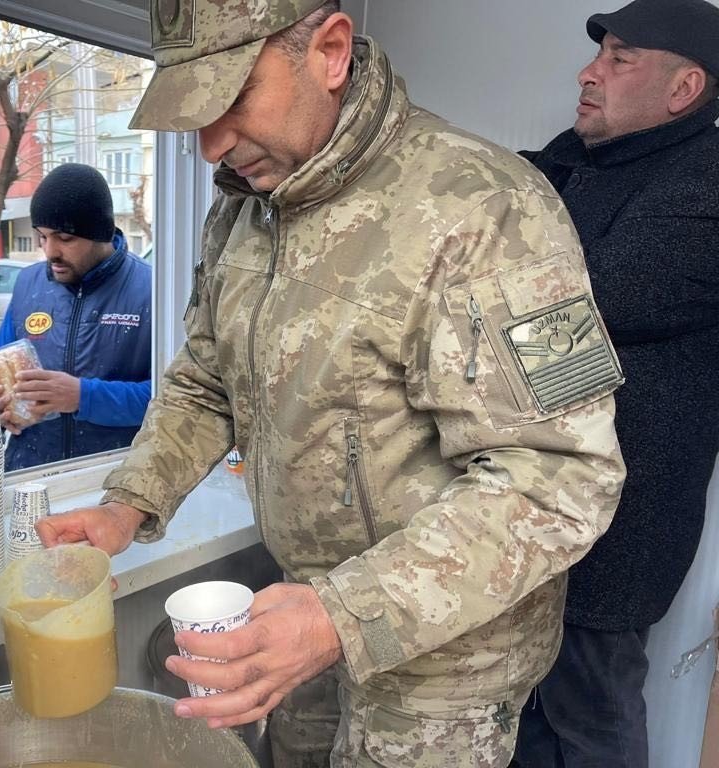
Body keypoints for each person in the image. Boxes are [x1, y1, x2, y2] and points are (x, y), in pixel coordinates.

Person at [36, 2, 626, 767]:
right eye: (194, 110)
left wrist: (342, 614)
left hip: (443, 667)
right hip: (302, 611)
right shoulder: (244, 206)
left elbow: (563, 479)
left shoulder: (491, 206)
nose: (209, 143)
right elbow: (207, 378)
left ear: (331, 52)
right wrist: (129, 501)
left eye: (234, 99)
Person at [511, 1, 719, 766]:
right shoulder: (575, 161)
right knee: (530, 718)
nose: (588, 71)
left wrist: (479, 310)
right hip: (534, 511)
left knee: (592, 721)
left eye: (621, 57)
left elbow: (555, 336)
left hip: (618, 537)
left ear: (684, 87)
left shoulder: (706, 188)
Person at [0, 163, 152, 470]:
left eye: (64, 238)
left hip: (113, 474)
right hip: (32, 471)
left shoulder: (151, 290)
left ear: (100, 233)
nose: (50, 252)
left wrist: (83, 396)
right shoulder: (28, 284)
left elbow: (172, 399)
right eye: (42, 237)